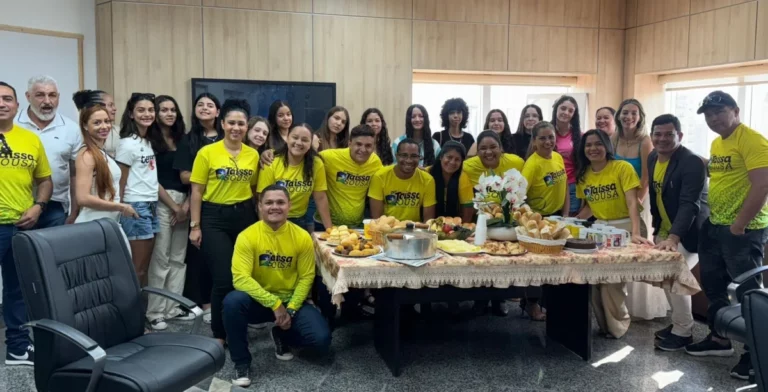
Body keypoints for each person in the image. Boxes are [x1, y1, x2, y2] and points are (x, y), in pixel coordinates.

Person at [685, 91, 768, 381]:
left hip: (742, 231)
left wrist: (739, 225)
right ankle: (719, 339)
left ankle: (756, 355)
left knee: (748, 293)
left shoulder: (753, 140)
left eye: (719, 112)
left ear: (735, 110)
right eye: (708, 115)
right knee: (713, 284)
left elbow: (762, 184)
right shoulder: (718, 142)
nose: (713, 119)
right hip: (715, 225)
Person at [223, 185, 331, 387]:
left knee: (321, 341)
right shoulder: (247, 236)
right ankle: (241, 362)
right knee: (232, 302)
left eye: (280, 202)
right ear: (260, 206)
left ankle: (281, 334)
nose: (275, 207)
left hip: (291, 301)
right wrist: (274, 303)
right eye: (269, 202)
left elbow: (306, 277)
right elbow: (240, 278)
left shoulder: (301, 236)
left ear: (289, 206)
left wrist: (290, 309)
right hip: (258, 301)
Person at [189, 99, 259, 346]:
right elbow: (196, 192)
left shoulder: (253, 154)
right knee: (223, 278)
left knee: (244, 274)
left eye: (241, 123)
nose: (236, 128)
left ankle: (238, 324)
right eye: (232, 123)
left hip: (244, 217)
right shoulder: (207, 152)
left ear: (247, 126)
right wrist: (195, 226)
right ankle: (219, 333)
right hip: (214, 218)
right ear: (222, 124)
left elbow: (255, 189)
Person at [575, 129, 653, 339]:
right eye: (588, 145)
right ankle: (604, 327)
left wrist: (635, 233)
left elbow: (632, 203)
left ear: (607, 146)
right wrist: (569, 223)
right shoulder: (584, 175)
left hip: (626, 228)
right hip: (600, 232)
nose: (593, 148)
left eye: (598, 144)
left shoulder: (622, 168)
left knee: (612, 283)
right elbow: (590, 208)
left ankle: (618, 326)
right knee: (594, 281)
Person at [1, 81, 53, 366]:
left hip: (20, 226)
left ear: (17, 105)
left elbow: (45, 180)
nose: (2, 103)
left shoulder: (30, 139)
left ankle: (17, 348)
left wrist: (39, 206)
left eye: (7, 98)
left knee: (17, 290)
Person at [646, 114, 708, 352]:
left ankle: (683, 331)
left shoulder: (691, 162)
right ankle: (678, 324)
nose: (662, 139)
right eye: (657, 134)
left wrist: (673, 237)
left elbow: (689, 204)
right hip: (666, 228)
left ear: (679, 136)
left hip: (690, 234)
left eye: (668, 134)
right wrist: (658, 231)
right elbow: (656, 197)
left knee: (675, 276)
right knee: (667, 278)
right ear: (651, 136)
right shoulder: (653, 157)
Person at [612, 99, 664, 321]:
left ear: (640, 116)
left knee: (637, 249)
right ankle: (618, 305)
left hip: (639, 199)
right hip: (616, 200)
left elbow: (646, 175)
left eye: (633, 113)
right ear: (619, 115)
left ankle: (639, 308)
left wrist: (638, 200)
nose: (629, 117)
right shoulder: (613, 139)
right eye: (625, 112)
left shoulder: (645, 141)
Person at [146, 95, 195, 330]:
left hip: (184, 202)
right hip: (161, 202)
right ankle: (155, 312)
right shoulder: (148, 142)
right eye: (163, 109)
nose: (169, 113)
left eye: (173, 109)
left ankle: (173, 307)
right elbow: (149, 179)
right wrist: (174, 206)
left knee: (178, 258)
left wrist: (185, 205)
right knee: (161, 258)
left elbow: (190, 175)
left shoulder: (183, 140)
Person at [175, 92, 220, 323]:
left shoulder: (227, 137)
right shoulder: (188, 139)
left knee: (219, 256)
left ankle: (216, 302)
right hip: (196, 201)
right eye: (200, 105)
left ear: (218, 112)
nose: (204, 108)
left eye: (210, 105)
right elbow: (184, 176)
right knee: (197, 254)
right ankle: (198, 302)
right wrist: (213, 176)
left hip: (223, 203)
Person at [517, 121, 568, 321]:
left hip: (557, 218)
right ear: (534, 141)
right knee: (537, 267)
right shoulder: (532, 164)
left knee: (554, 266)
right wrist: (532, 221)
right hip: (538, 222)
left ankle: (548, 303)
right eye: (543, 138)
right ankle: (531, 304)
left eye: (551, 137)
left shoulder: (557, 157)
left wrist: (565, 215)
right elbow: (519, 196)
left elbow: (563, 187)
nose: (548, 142)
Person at [15, 75, 81, 227]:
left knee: (54, 251)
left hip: (56, 207)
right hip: (16, 205)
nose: (47, 101)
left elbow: (75, 174)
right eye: (40, 95)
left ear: (58, 97)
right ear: (28, 96)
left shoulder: (71, 129)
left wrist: (75, 211)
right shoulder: (13, 124)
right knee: (17, 250)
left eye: (52, 95)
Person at [116, 93, 162, 289]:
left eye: (151, 110)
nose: (147, 114)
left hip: (151, 204)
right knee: (137, 267)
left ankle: (137, 312)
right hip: (135, 205)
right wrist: (120, 207)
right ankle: (130, 315)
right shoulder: (127, 143)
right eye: (141, 110)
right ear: (131, 114)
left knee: (144, 267)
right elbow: (120, 179)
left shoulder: (148, 141)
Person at [70, 94, 137, 225]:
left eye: (107, 121)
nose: (104, 126)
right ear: (85, 126)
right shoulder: (87, 154)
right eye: (97, 123)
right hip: (93, 223)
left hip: (107, 222)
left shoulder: (101, 153)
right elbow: (83, 198)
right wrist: (121, 207)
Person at [257, 123, 332, 231]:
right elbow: (262, 198)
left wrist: (330, 230)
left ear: (311, 143)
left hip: (301, 220)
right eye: (295, 137)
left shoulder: (316, 164)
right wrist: (264, 230)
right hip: (273, 219)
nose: (299, 143)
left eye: (305, 140)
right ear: (287, 138)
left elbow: (320, 198)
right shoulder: (271, 161)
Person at [320, 124, 382, 227]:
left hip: (357, 226)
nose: (362, 149)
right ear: (349, 143)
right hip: (325, 224)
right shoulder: (330, 157)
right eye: (358, 144)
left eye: (368, 146)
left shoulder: (375, 163)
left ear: (373, 147)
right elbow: (307, 158)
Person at [369, 138, 436, 222]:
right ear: (396, 156)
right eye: (404, 155)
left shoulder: (427, 180)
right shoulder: (380, 177)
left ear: (420, 158)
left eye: (414, 156)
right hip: (386, 229)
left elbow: (428, 222)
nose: (409, 160)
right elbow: (376, 219)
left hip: (415, 231)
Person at [427, 141, 474, 223]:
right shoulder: (427, 173)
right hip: (428, 225)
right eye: (449, 157)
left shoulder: (463, 178)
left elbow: (468, 212)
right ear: (441, 157)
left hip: (454, 227)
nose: (452, 162)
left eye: (457, 159)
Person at [551, 95, 582, 216]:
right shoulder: (546, 131)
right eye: (563, 108)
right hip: (551, 185)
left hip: (572, 186)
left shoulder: (579, 135)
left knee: (569, 225)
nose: (566, 112)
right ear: (556, 109)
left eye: (570, 110)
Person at [72, 89, 120, 157]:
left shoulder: (118, 131)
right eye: (110, 105)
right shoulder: (79, 134)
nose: (115, 108)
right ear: (98, 106)